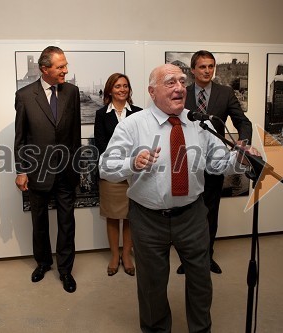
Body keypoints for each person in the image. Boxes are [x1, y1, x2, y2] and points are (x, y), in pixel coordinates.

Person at [98, 64, 260, 332]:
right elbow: (106, 166)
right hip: (148, 218)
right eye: (170, 82)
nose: (179, 88)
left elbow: (219, 164)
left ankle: (201, 328)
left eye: (182, 82)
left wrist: (239, 158)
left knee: (200, 279)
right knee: (152, 284)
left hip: (193, 214)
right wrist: (132, 163)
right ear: (152, 91)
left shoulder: (201, 123)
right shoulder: (132, 125)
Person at [176, 50, 253, 275]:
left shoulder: (225, 93)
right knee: (186, 213)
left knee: (210, 211)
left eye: (211, 66)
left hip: (215, 160)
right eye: (202, 67)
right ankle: (187, 259)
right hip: (187, 162)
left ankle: (207, 257)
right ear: (192, 70)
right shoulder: (182, 92)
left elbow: (243, 121)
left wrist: (242, 142)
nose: (207, 71)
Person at [14, 46, 81, 293]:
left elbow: (74, 134)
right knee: (39, 221)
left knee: (67, 223)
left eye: (65, 65)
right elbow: (20, 137)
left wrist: (77, 165)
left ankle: (66, 270)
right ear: (45, 69)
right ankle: (43, 263)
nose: (66, 70)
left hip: (66, 171)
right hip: (37, 172)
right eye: (60, 66)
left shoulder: (72, 92)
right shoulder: (24, 96)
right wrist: (21, 170)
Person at [94, 73, 142, 276]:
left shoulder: (140, 113)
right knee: (113, 216)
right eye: (117, 86)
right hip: (111, 172)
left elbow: (142, 141)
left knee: (130, 216)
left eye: (125, 86)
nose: (122, 89)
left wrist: (131, 162)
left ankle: (127, 255)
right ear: (109, 90)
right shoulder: (101, 114)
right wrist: (120, 162)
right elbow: (101, 145)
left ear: (129, 90)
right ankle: (115, 255)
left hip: (134, 172)